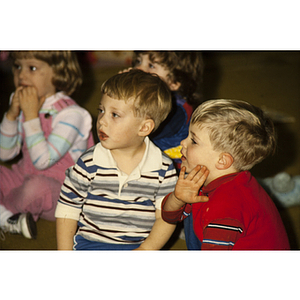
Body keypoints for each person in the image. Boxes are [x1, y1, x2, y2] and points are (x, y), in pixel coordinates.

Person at [55, 69, 178, 250]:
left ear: (144, 127)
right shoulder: (89, 162)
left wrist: (146, 250)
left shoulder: (163, 169)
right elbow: (67, 209)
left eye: (115, 115)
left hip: (138, 247)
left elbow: (166, 217)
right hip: (91, 244)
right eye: (101, 110)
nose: (102, 120)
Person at [161, 99, 290, 250]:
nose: (183, 142)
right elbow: (170, 217)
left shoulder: (227, 207)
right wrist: (178, 198)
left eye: (193, 141)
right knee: (192, 210)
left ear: (222, 161)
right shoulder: (205, 179)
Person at [0, 51, 94, 239]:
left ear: (58, 72)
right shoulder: (21, 102)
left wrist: (31, 115)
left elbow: (44, 160)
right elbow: (5, 154)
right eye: (18, 66)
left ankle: (6, 213)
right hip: (25, 174)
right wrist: (11, 115)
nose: (21, 75)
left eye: (32, 68)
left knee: (36, 189)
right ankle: (10, 218)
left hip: (62, 190)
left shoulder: (71, 114)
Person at [131, 51, 204, 169]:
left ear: (174, 82)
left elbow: (135, 131)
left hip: (175, 173)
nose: (138, 69)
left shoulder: (175, 110)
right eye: (138, 61)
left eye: (151, 66)